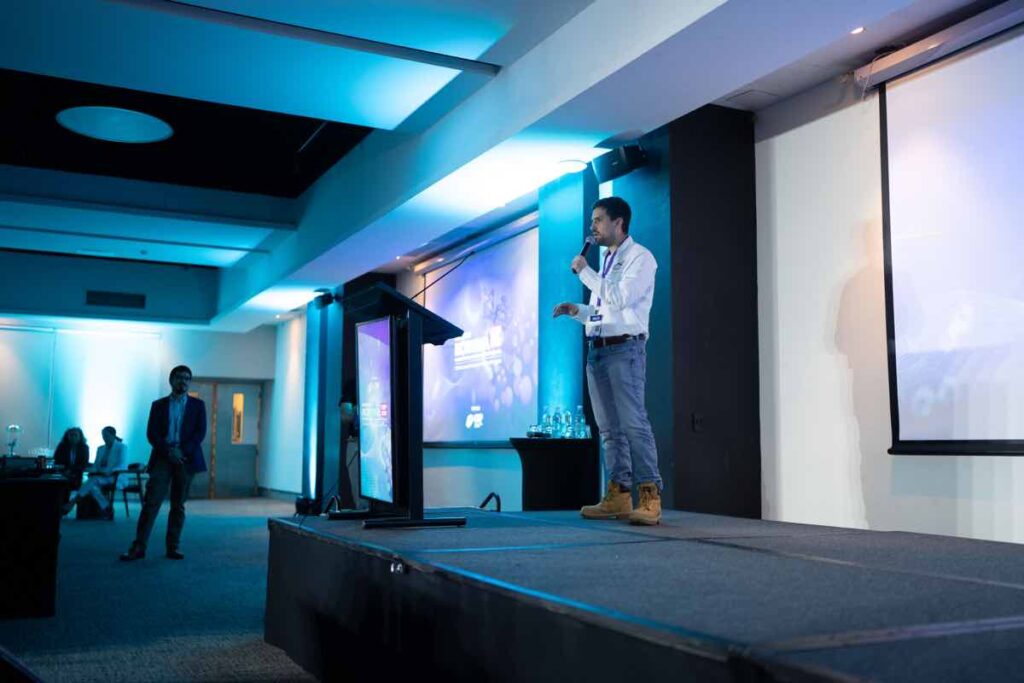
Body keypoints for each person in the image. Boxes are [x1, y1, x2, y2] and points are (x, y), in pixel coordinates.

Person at [553, 196, 663, 525]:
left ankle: (650, 495)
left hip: (625, 350)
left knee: (633, 424)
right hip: (598, 350)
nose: (593, 227)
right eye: (592, 221)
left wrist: (584, 272)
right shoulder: (606, 261)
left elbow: (621, 299)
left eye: (598, 220)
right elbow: (604, 311)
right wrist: (579, 311)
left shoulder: (640, 258)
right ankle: (618, 494)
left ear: (619, 222)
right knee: (609, 430)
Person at [120, 365, 207, 561]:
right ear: (171, 380)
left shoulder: (198, 405)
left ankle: (173, 547)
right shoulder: (158, 405)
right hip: (163, 457)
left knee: (178, 505)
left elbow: (199, 433)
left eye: (187, 378)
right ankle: (139, 547)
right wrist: (169, 451)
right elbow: (152, 433)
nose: (183, 381)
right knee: (151, 503)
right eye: (179, 377)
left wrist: (181, 451)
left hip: (186, 458)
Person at [65, 426, 126, 518]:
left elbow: (121, 464)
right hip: (101, 476)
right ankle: (107, 508)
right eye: (103, 435)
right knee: (91, 485)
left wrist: (108, 472)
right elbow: (96, 465)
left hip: (115, 476)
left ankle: (72, 502)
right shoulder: (101, 448)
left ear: (113, 435)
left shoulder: (122, 447)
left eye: (106, 435)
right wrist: (93, 471)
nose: (104, 438)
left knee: (91, 482)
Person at [53, 427, 90, 506]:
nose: (73, 437)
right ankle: (62, 505)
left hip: (76, 474)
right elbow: (57, 460)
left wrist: (71, 470)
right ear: (67, 436)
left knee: (70, 483)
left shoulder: (84, 447)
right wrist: (64, 470)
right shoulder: (62, 446)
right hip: (63, 473)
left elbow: (84, 463)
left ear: (80, 437)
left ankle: (67, 505)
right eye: (71, 435)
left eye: (75, 435)